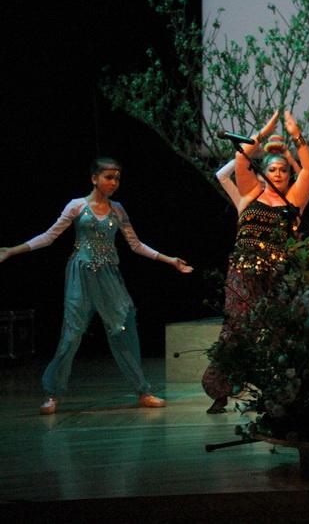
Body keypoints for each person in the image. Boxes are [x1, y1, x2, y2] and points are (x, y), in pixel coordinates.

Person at [0, 158, 193, 414]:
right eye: (108, 177)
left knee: (123, 327)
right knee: (72, 333)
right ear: (94, 178)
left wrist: (169, 260)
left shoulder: (118, 210)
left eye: (117, 178)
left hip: (109, 276)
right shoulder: (77, 206)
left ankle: (143, 391)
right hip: (81, 275)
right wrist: (12, 250)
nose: (114, 183)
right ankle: (53, 393)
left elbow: (135, 245)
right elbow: (49, 236)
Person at [204, 110, 309, 413]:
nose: (278, 174)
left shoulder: (293, 200)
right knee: (235, 329)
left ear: (288, 174)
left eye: (283, 170)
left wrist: (297, 136)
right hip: (242, 272)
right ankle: (220, 390)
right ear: (263, 172)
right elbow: (241, 159)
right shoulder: (251, 193)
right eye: (273, 169)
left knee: (272, 331)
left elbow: (308, 168)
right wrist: (264, 132)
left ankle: (271, 391)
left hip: (274, 274)